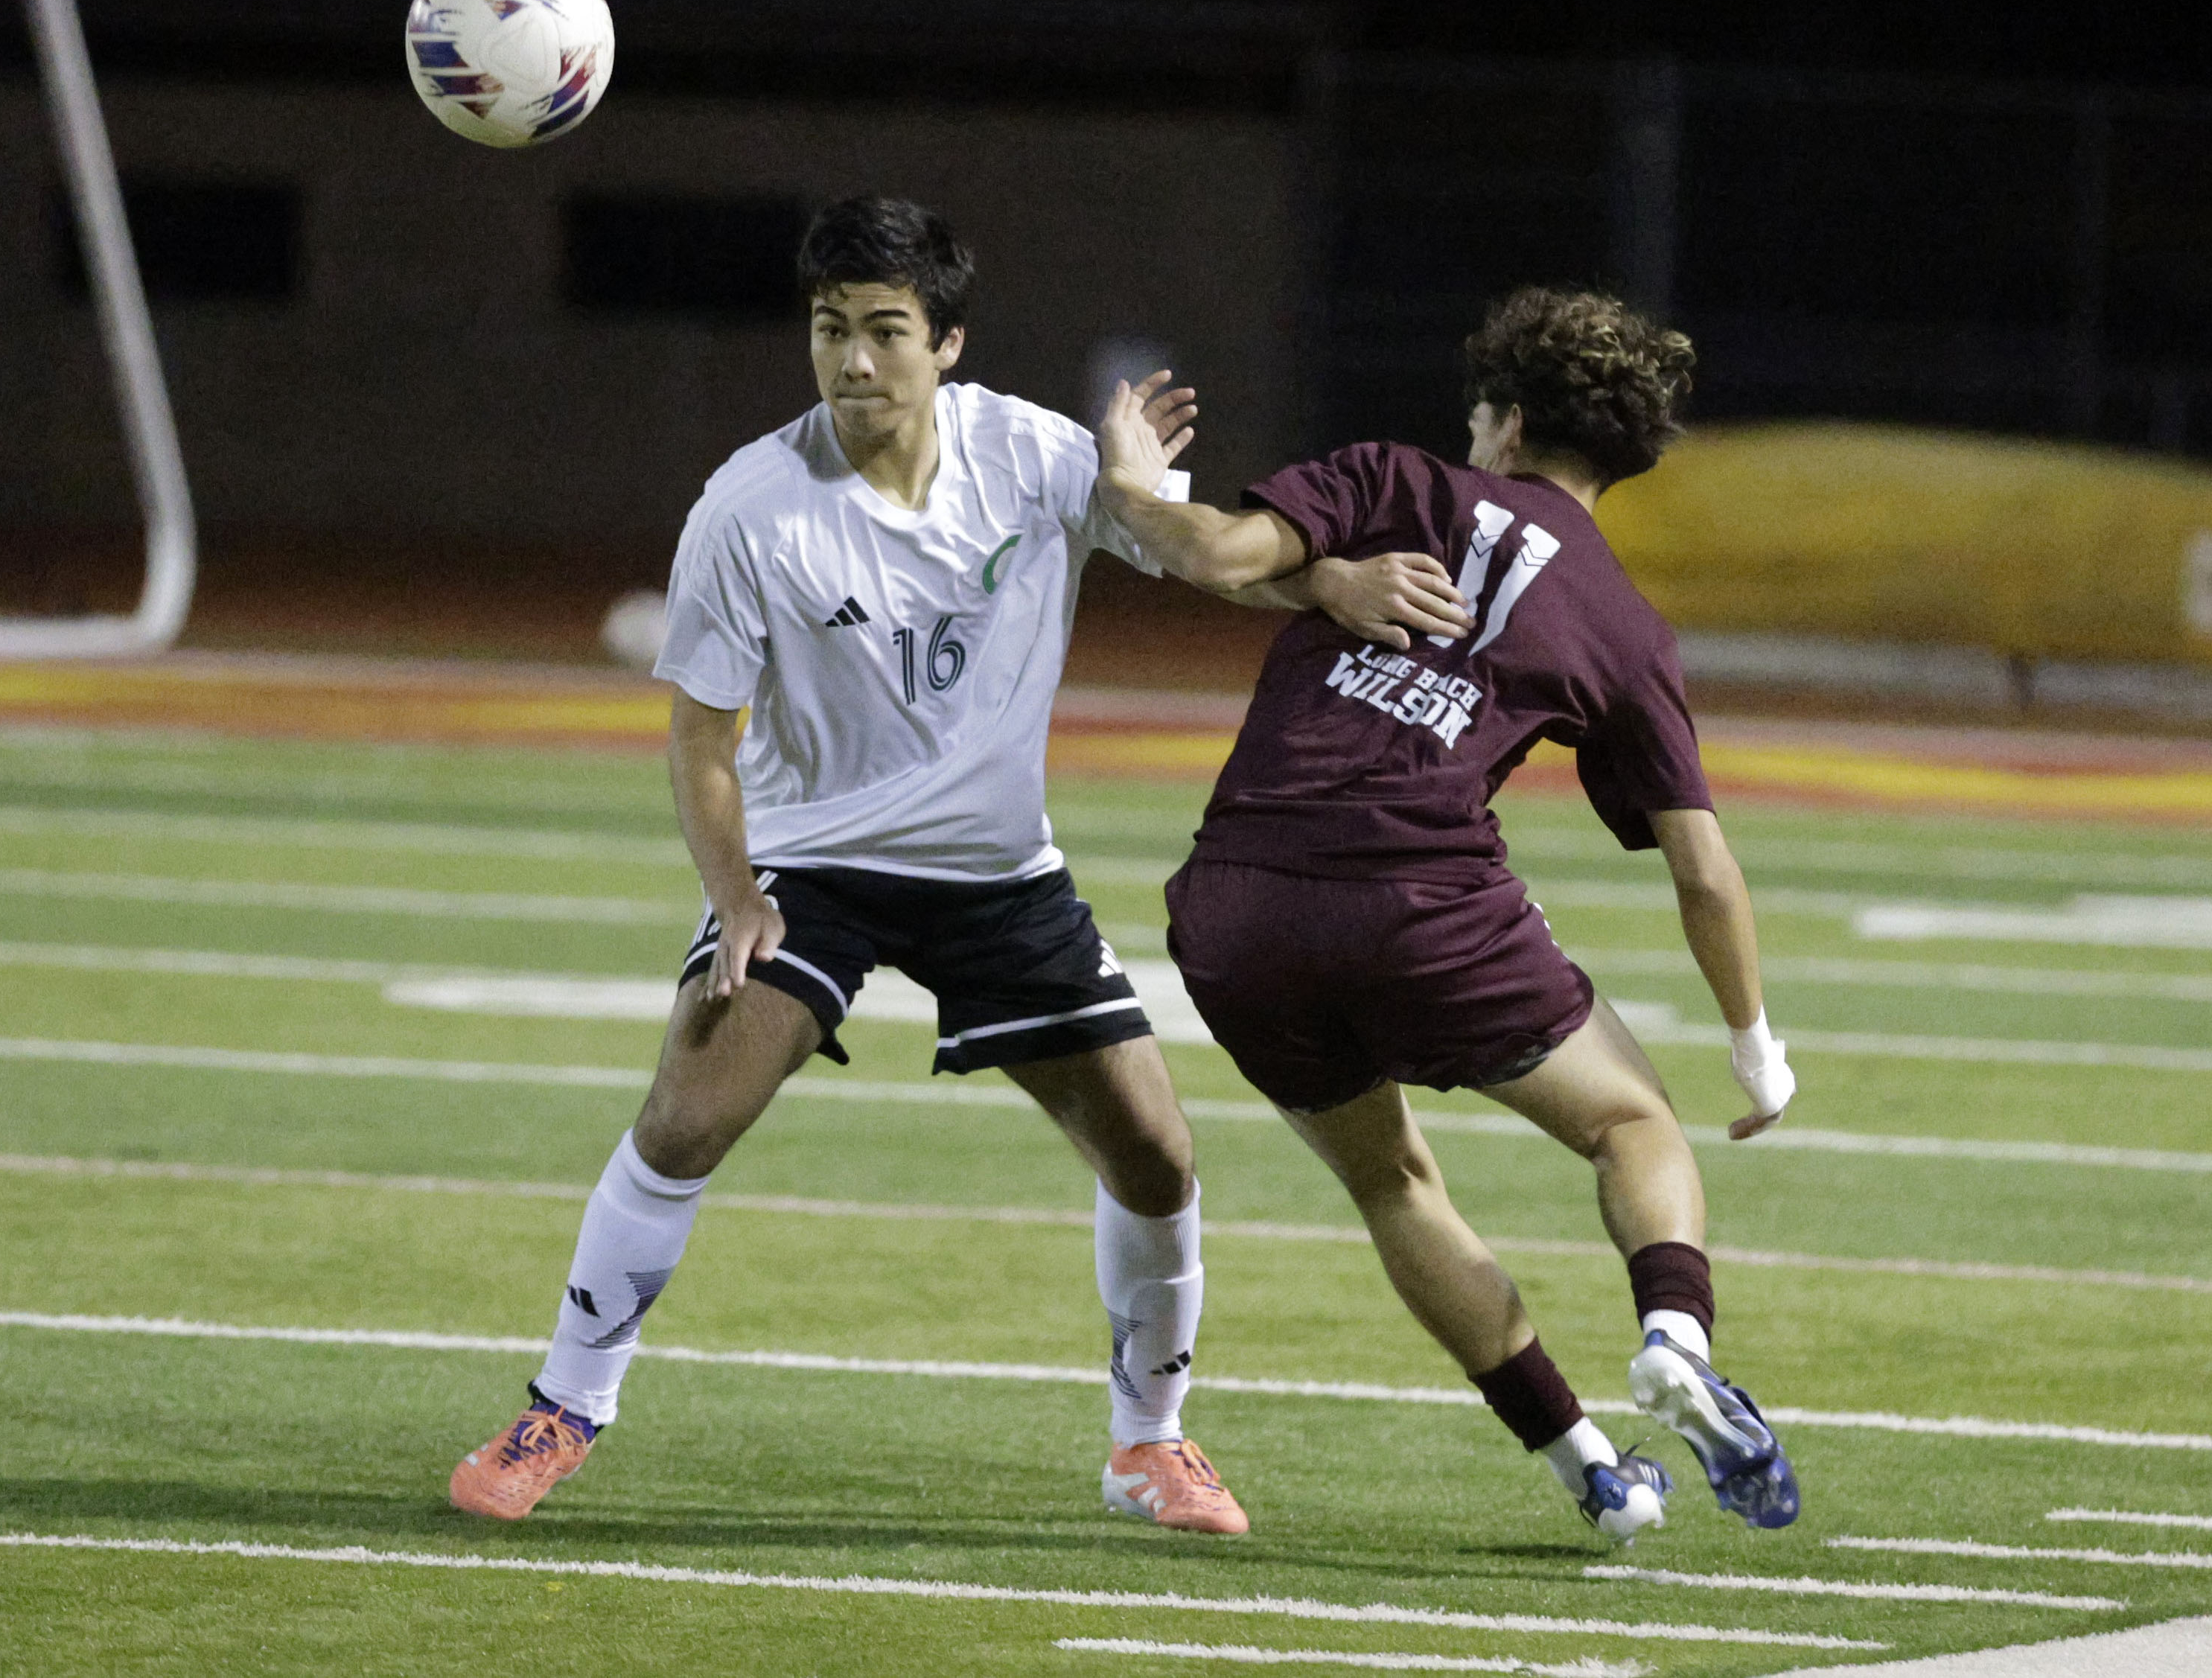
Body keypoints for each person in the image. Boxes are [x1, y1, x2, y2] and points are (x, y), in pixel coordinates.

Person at [445, 197, 1290, 1531]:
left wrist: (1291, 561)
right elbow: (701, 739)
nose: (853, 361)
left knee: (1158, 1154)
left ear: (946, 341)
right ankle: (564, 1405)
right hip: (811, 864)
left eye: (885, 331)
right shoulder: (750, 506)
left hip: (999, 872)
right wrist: (736, 897)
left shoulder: (1037, 457)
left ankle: (1150, 1443)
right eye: (831, 329)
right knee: (685, 1113)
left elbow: (1203, 562)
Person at [1086, 286, 1802, 1543]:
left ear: (1511, 421)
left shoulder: (1391, 478)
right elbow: (1704, 868)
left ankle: (1589, 1467)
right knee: (1636, 1120)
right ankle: (1676, 1338)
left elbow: (1206, 558)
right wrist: (1756, 1045)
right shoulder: (1624, 625)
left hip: (1236, 907)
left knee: (1394, 1182)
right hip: (1420, 902)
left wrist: (1142, 481)